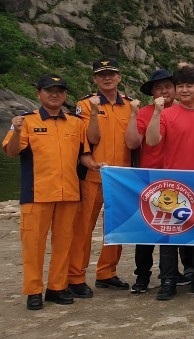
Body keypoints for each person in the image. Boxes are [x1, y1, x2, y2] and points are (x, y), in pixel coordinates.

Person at [3, 74, 100, 310]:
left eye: (59, 91)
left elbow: (83, 154)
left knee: (64, 243)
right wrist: (16, 131)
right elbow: (12, 152)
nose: (54, 94)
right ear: (39, 94)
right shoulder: (25, 121)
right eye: (49, 90)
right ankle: (33, 290)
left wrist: (96, 165)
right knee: (33, 245)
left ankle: (57, 287)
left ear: (65, 95)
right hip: (37, 193)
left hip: (69, 193)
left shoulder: (76, 123)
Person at [145, 65, 194, 301]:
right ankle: (168, 280)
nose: (185, 90)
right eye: (180, 86)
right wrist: (156, 113)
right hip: (173, 184)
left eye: (189, 86)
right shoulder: (167, 114)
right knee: (169, 234)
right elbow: (152, 141)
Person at [68, 58, 135, 297]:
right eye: (102, 74)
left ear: (119, 77)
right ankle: (75, 276)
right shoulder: (85, 105)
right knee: (83, 227)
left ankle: (107, 272)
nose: (107, 78)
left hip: (121, 177)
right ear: (95, 79)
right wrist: (95, 112)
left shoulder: (130, 105)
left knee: (115, 226)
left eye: (111, 74)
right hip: (93, 174)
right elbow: (91, 139)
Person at [124, 68, 174, 293]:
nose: (164, 91)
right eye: (158, 88)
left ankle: (172, 274)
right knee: (146, 229)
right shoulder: (145, 112)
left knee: (174, 227)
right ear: (152, 92)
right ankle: (142, 275)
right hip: (149, 177)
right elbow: (133, 143)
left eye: (168, 87)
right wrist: (133, 116)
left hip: (177, 176)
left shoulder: (183, 111)